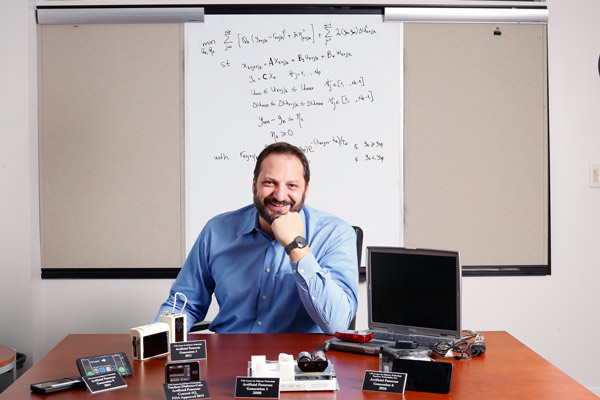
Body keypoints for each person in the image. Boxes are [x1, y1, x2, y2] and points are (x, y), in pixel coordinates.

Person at [154, 142, 358, 334]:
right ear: (254, 185)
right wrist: (154, 339)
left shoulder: (335, 234)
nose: (280, 196)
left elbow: (337, 324)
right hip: (229, 357)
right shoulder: (217, 231)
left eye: (292, 186)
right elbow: (185, 303)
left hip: (299, 363)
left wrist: (296, 246)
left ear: (306, 190)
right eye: (270, 183)